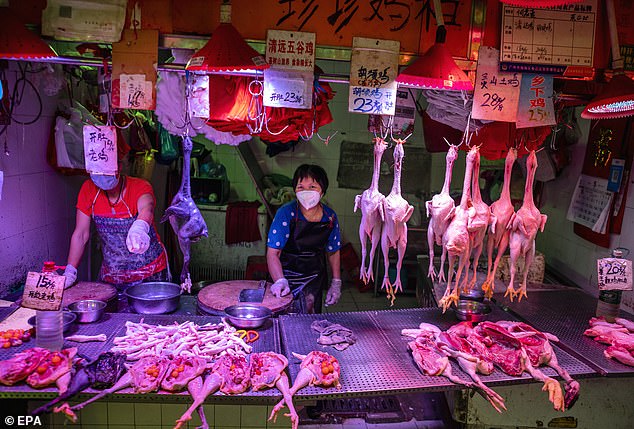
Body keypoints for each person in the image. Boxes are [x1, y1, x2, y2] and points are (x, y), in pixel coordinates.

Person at [62, 170, 170, 290]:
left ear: (119, 165)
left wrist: (140, 227)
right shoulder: (88, 189)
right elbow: (81, 234)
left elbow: (147, 208)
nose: (103, 174)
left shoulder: (139, 186)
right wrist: (70, 271)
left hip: (151, 274)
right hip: (112, 275)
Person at [266, 164, 342, 314]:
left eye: (312, 187)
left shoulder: (330, 217)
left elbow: (333, 251)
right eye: (301, 187)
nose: (306, 192)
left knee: (309, 317)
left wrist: (336, 281)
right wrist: (280, 280)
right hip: (284, 274)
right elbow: (273, 253)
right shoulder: (286, 213)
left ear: (322, 191)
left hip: (314, 277)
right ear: (294, 190)